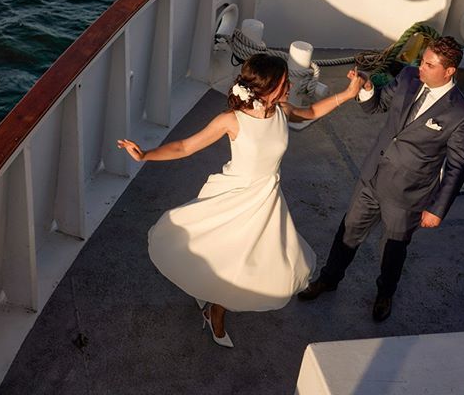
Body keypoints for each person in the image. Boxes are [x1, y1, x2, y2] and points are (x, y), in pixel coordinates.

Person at [118, 54, 365, 347]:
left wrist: (348, 94)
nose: (289, 87)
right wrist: (146, 154)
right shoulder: (232, 121)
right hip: (234, 197)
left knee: (246, 262)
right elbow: (185, 146)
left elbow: (310, 111)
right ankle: (215, 311)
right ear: (265, 87)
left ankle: (214, 306)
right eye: (284, 82)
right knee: (226, 256)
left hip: (267, 201)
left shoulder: (281, 110)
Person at [298, 36, 464, 322]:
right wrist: (368, 88)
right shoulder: (407, 77)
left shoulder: (461, 115)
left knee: (393, 250)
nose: (421, 67)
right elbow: (376, 106)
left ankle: (384, 294)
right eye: (422, 60)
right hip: (372, 177)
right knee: (348, 231)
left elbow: (457, 166)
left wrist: (436, 209)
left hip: (409, 196)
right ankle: (328, 279)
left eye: (429, 65)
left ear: (449, 71)